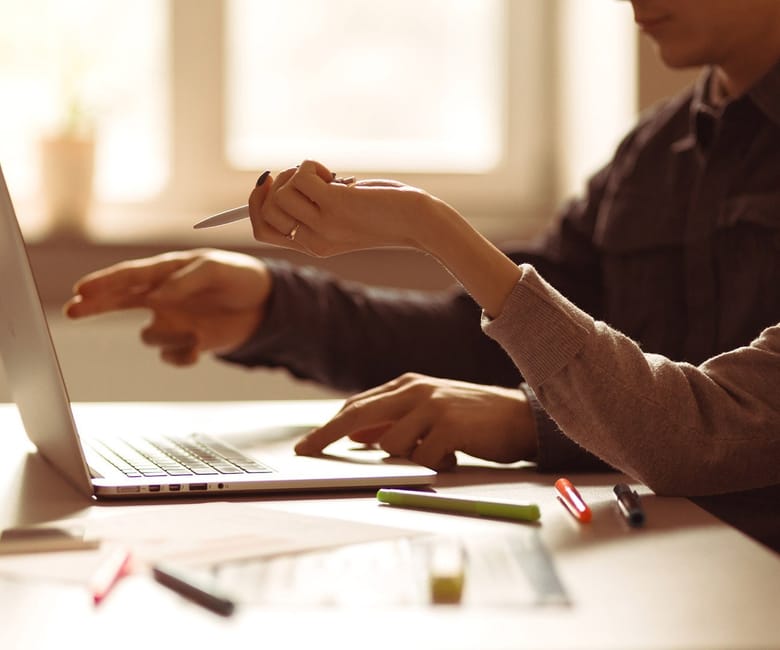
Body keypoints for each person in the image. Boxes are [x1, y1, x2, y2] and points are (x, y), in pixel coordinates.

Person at [65, 1, 780, 550]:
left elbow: (709, 430)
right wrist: (272, 305)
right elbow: (490, 343)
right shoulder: (654, 152)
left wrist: (531, 421)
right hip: (660, 556)